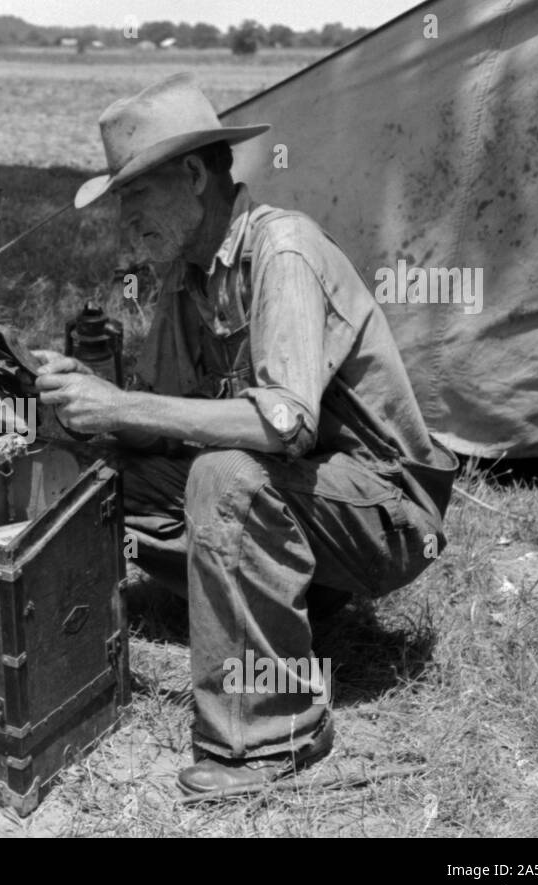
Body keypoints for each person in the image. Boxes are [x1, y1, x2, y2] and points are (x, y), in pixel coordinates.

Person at [34, 72, 459, 800]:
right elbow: (165, 426)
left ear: (195, 176)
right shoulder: (185, 279)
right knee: (104, 465)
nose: (123, 219)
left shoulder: (281, 249)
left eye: (135, 194)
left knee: (223, 477)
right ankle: (260, 608)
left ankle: (275, 731)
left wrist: (123, 406)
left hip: (385, 511)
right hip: (310, 499)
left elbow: (283, 424)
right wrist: (90, 399)